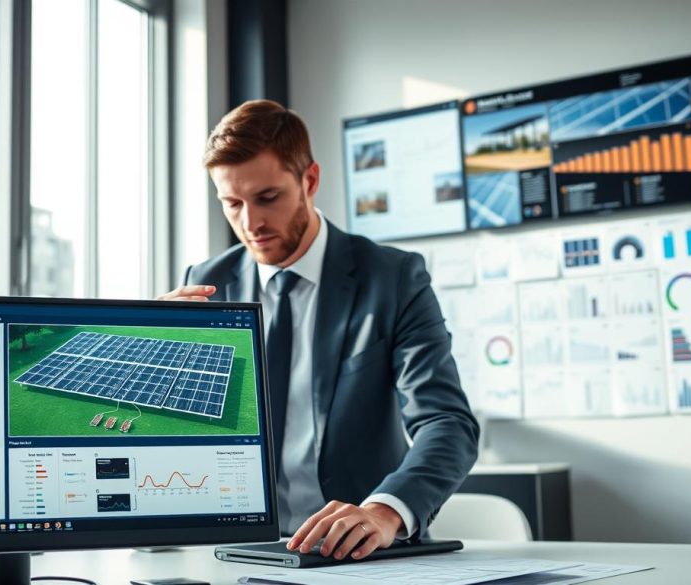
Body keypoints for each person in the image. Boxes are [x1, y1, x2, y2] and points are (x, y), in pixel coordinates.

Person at [159, 99, 478, 561]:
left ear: (309, 180)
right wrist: (148, 348)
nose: (250, 224)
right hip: (236, 552)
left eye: (267, 198)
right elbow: (181, 433)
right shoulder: (206, 284)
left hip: (355, 555)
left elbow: (447, 422)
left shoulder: (392, 278)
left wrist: (384, 513)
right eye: (232, 204)